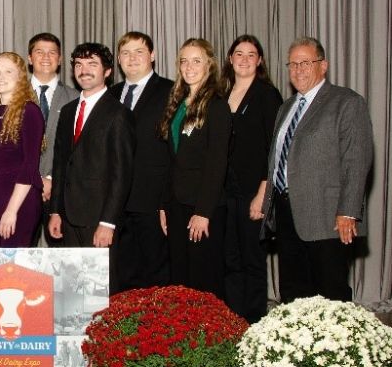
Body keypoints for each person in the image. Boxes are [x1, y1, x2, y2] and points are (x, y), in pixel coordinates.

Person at [261, 36, 373, 302]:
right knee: (293, 293)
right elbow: (277, 158)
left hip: (328, 217)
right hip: (286, 212)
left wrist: (348, 211)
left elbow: (356, 160)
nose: (298, 69)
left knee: (331, 294)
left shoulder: (346, 102)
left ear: (324, 66)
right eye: (293, 64)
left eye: (306, 62)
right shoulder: (286, 107)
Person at [48, 42, 134, 291]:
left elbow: (122, 174)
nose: (84, 70)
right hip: (69, 217)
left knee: (101, 286)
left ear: (107, 71)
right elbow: (60, 164)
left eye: (92, 64)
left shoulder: (119, 114)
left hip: (99, 217)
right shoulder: (67, 111)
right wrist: (55, 211)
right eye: (79, 64)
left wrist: (108, 223)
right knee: (73, 285)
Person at [159, 38, 231, 299]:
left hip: (202, 207)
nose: (189, 67)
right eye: (184, 61)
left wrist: (203, 212)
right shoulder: (178, 104)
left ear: (209, 66)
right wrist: (164, 205)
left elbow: (217, 163)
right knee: (180, 277)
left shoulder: (217, 106)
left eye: (196, 60)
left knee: (204, 279)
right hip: (177, 204)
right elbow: (171, 161)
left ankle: (211, 337)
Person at [220, 35, 283, 322]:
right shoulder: (221, 94)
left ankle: (256, 322)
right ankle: (234, 322)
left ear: (259, 61)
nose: (244, 59)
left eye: (251, 54)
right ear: (230, 59)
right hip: (224, 191)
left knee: (252, 260)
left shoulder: (267, 95)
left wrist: (263, 194)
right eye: (239, 54)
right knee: (230, 259)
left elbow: (275, 150)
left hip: (253, 191)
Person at [109, 32, 173, 292]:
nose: (132, 58)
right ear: (118, 60)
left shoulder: (171, 91)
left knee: (156, 274)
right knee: (121, 273)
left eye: (139, 52)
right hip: (115, 202)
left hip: (153, 199)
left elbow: (175, 150)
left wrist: (166, 200)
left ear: (153, 56)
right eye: (125, 53)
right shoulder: (109, 95)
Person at [0, 52, 44, 247]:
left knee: (14, 267)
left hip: (19, 199)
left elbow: (30, 166)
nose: (1, 77)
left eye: (8, 71)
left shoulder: (30, 111)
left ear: (20, 77)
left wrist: (12, 210)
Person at [27, 33, 80, 245]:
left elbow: (78, 150)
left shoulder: (76, 98)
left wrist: (51, 180)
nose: (46, 57)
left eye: (52, 53)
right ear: (30, 58)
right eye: (39, 52)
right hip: (20, 191)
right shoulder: (12, 96)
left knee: (62, 260)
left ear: (59, 59)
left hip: (60, 194)